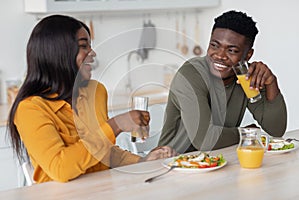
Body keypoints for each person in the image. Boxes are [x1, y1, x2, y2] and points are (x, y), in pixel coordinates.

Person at [7, 14, 176, 184]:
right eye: (83, 46)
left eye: (90, 46)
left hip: (103, 190)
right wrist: (115, 125)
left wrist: (142, 162)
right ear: (58, 53)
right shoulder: (30, 109)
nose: (92, 53)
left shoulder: (95, 92)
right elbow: (60, 168)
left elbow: (104, 152)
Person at [158, 10, 287, 153]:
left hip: (220, 162)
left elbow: (276, 130)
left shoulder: (246, 77)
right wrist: (246, 133)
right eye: (215, 45)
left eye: (231, 50)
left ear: (248, 55)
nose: (219, 55)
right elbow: (206, 140)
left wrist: (271, 83)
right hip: (174, 164)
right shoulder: (190, 74)